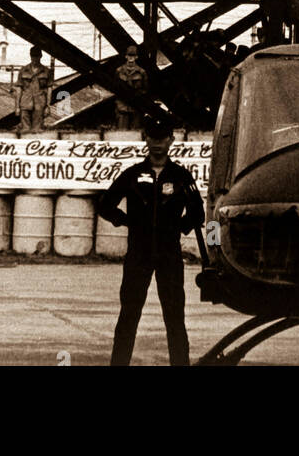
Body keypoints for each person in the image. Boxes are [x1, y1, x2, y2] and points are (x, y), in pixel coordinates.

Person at [97, 116, 205, 366]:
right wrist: (126, 221)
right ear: (145, 139)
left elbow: (198, 212)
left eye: (162, 138)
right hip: (138, 254)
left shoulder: (181, 177)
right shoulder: (132, 175)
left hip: (169, 254)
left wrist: (178, 227)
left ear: (171, 140)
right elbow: (105, 205)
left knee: (174, 317)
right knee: (129, 315)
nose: (157, 144)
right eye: (152, 138)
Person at [16, 45, 52, 134]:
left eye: (37, 56)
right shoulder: (23, 70)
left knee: (37, 131)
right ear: (30, 56)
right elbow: (19, 89)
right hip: (25, 103)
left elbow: (49, 89)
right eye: (33, 56)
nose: (35, 59)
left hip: (39, 104)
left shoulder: (46, 71)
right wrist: (17, 107)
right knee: (25, 131)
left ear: (40, 56)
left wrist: (48, 106)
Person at [114, 44, 149, 132]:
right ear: (126, 56)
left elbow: (145, 89)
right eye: (129, 55)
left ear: (136, 57)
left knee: (136, 132)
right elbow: (115, 88)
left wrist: (139, 98)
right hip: (122, 106)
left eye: (133, 56)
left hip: (136, 106)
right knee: (122, 132)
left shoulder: (141, 72)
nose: (131, 58)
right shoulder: (119, 71)